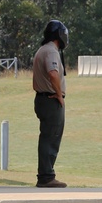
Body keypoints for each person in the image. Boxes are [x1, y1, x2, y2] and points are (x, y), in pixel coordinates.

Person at [33, 20, 69, 188]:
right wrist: (59, 95)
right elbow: (53, 74)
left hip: (41, 98)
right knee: (51, 137)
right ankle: (46, 177)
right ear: (59, 35)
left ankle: (46, 174)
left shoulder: (42, 50)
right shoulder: (51, 52)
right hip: (51, 100)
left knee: (47, 136)